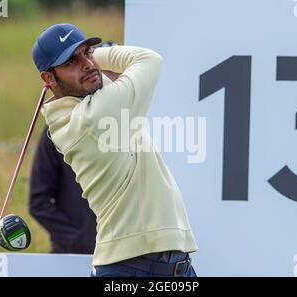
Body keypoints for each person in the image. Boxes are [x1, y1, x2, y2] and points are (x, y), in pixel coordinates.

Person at [32, 23, 198, 277]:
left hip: (169, 266)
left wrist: (83, 60)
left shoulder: (80, 105)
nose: (86, 64)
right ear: (48, 78)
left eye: (87, 52)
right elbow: (149, 60)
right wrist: (98, 56)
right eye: (70, 62)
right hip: (131, 268)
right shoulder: (92, 116)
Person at [29, 42, 119, 255]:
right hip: (73, 256)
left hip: (123, 255)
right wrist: (80, 239)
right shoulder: (58, 129)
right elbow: (39, 202)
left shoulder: (129, 122)